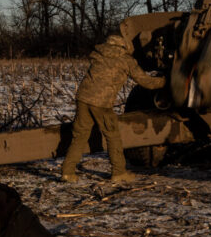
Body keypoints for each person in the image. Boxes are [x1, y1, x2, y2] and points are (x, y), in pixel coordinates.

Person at [60, 34, 165, 183]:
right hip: (101, 103)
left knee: (80, 136)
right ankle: (119, 172)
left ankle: (67, 172)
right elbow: (146, 82)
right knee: (113, 136)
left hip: (83, 98)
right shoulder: (125, 60)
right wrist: (165, 82)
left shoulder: (99, 54)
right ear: (124, 46)